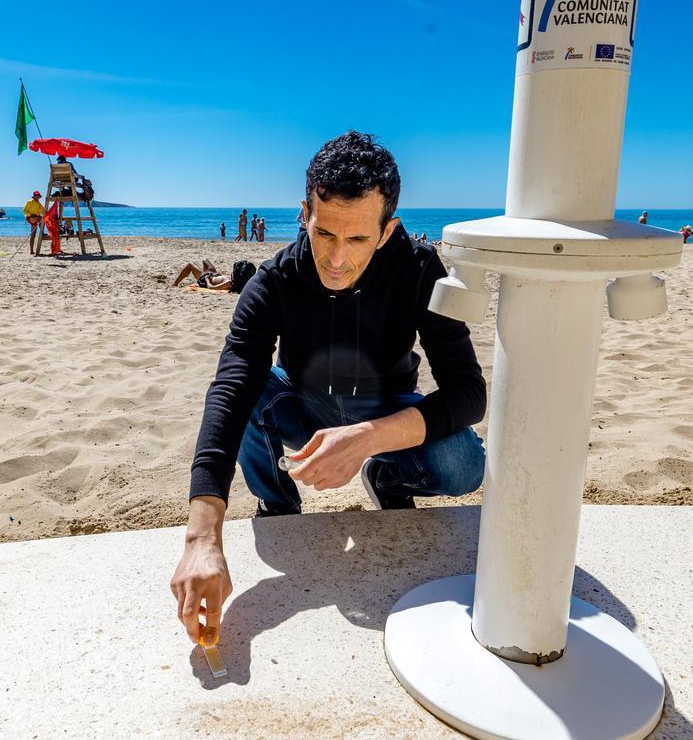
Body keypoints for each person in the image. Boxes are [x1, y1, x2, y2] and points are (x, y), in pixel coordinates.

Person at [170, 131, 487, 648]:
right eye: (324, 234)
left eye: (358, 239)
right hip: (302, 403)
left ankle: (389, 476)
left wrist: (367, 439)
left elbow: (469, 392)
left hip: (386, 408)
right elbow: (230, 386)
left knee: (464, 463)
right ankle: (278, 504)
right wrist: (201, 537)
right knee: (250, 391)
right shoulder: (274, 279)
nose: (336, 258)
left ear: (388, 230)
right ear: (304, 213)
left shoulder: (421, 268)